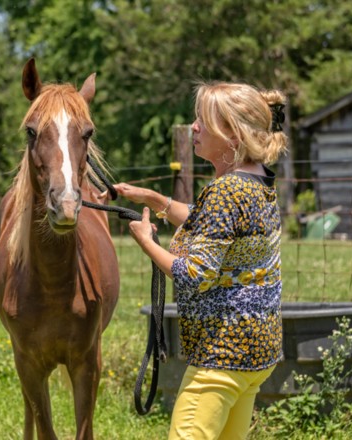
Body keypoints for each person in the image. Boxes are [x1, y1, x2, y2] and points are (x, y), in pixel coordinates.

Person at [114, 81, 288, 440]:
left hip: (220, 356)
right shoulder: (257, 182)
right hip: (256, 352)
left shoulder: (225, 191)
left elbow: (193, 273)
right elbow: (213, 225)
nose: (194, 127)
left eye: (203, 121)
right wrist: (155, 199)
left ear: (232, 136)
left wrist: (146, 241)